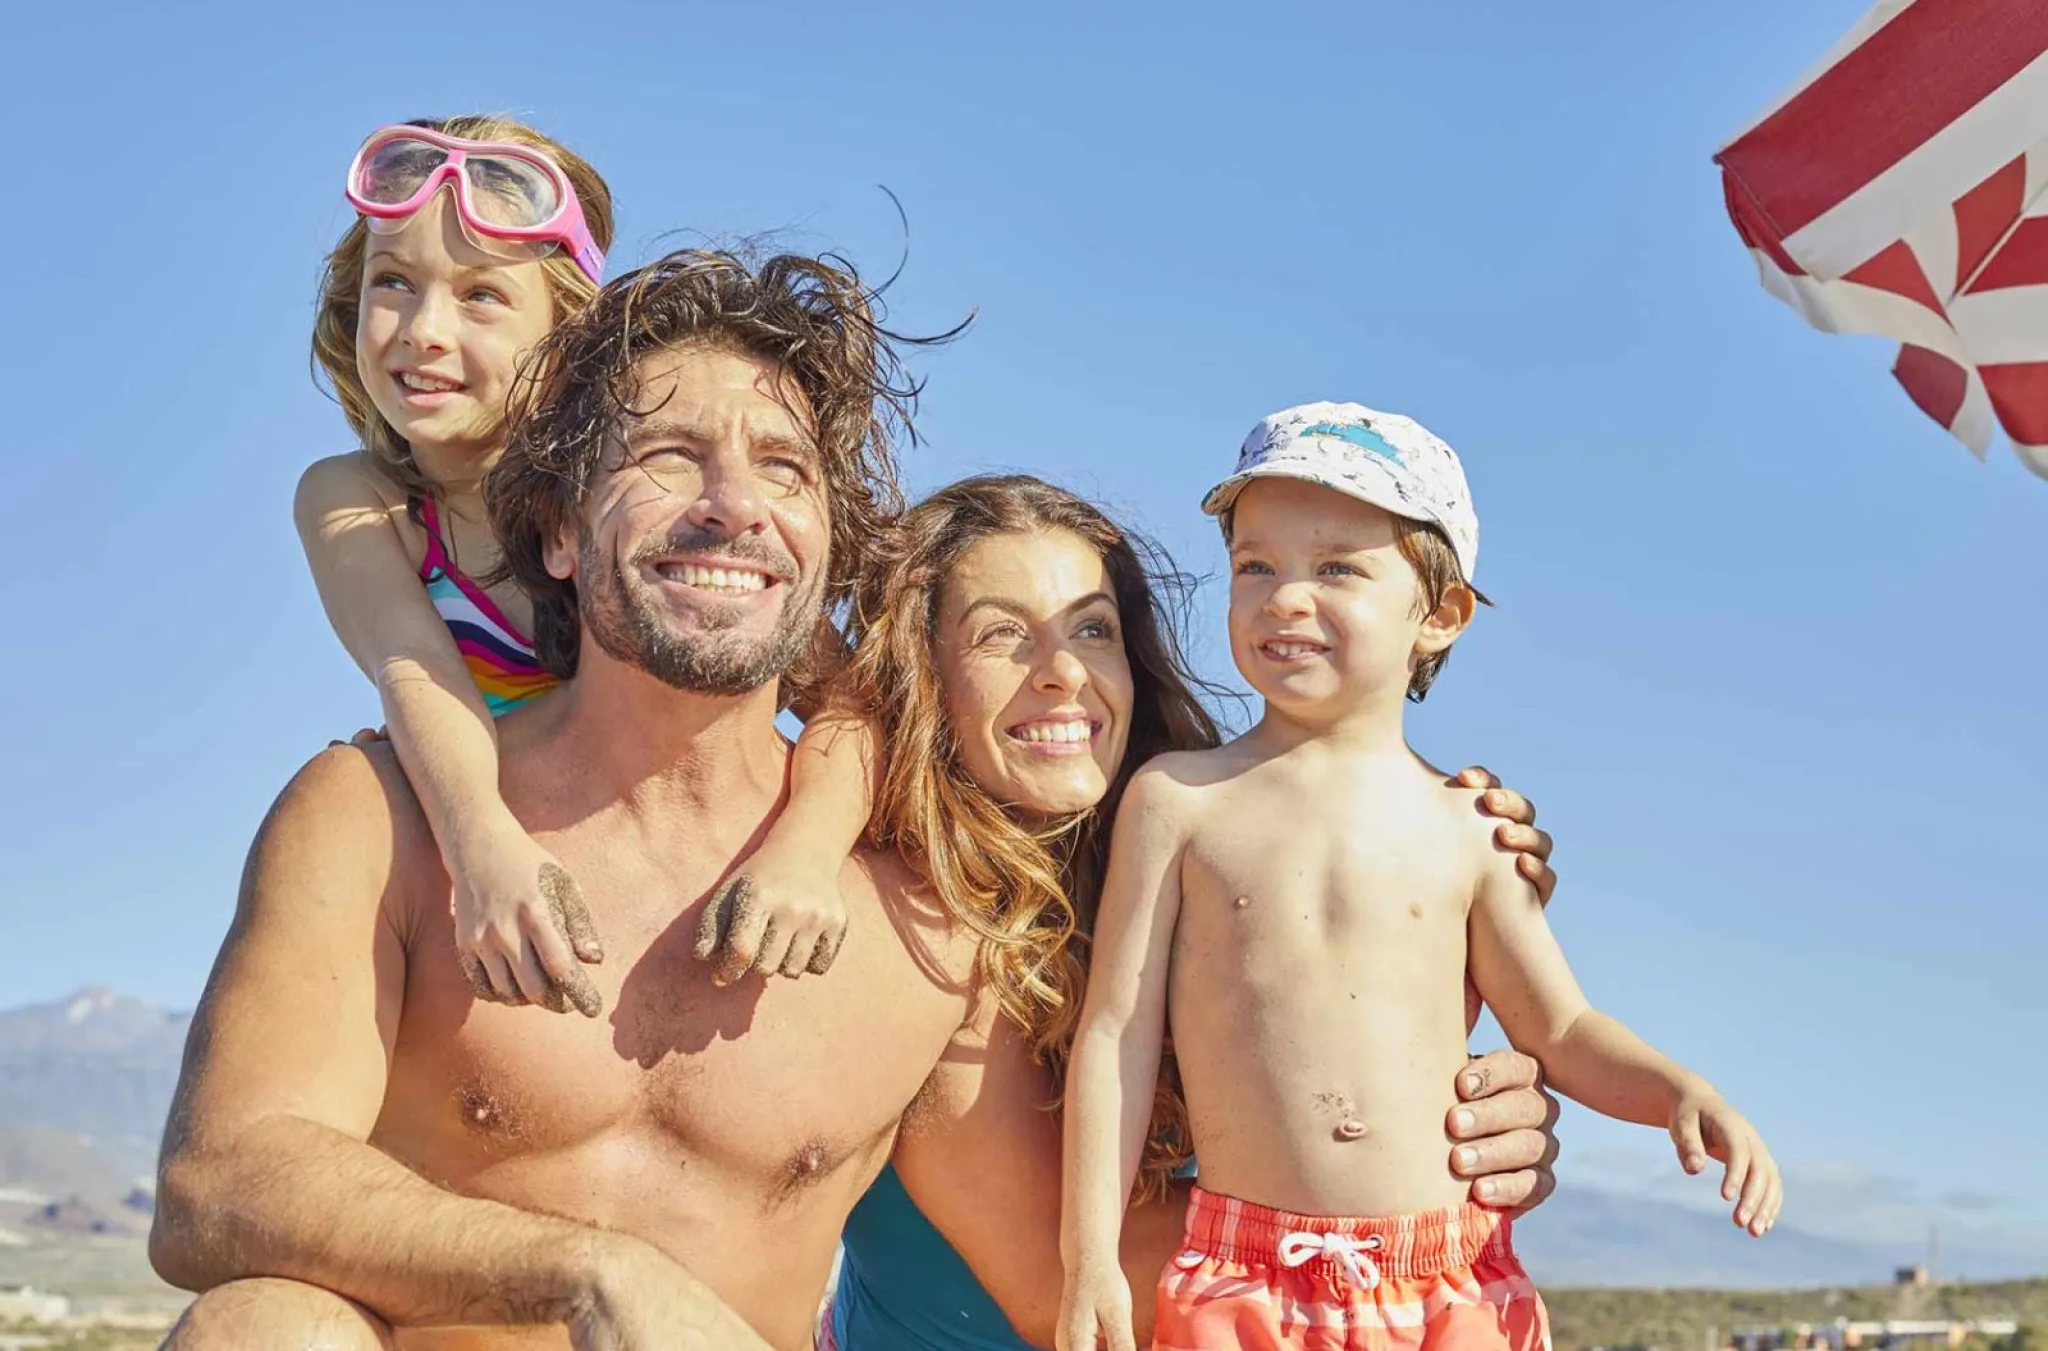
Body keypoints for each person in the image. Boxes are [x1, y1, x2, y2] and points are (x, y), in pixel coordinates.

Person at [150, 250, 1565, 1350]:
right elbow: (219, 1183)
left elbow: (1104, 1286)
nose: (732, 505)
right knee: (260, 1324)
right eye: (664, 459)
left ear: (826, 549)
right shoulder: (383, 816)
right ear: (561, 531)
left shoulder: (914, 925)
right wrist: (591, 1270)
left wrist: (1426, 1137)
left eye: (783, 469)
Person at [1059, 403, 1783, 1351]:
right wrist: (1090, 1258)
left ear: (1438, 615)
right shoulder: (1178, 801)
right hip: (1241, 1275)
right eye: (1256, 565)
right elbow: (1116, 1034)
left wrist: (1680, 1090)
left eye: (1338, 568)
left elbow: (1561, 1028)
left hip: (1449, 1283)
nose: (1284, 596)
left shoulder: (1471, 828)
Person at [819, 476, 1564, 1351]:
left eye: (1092, 629)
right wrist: (1413, 1214)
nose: (1061, 671)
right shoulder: (919, 922)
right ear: (924, 670)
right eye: (1000, 634)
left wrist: (1465, 1120)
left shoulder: (1186, 846)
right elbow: (1060, 1288)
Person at [296, 118, 869, 1019]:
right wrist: (481, 841)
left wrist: (805, 847)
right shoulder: (360, 500)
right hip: (509, 873)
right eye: (393, 282)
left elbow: (850, 702)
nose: (424, 330)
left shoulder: (633, 508)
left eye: (482, 296)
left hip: (674, 874)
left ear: (568, 339)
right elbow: (411, 664)